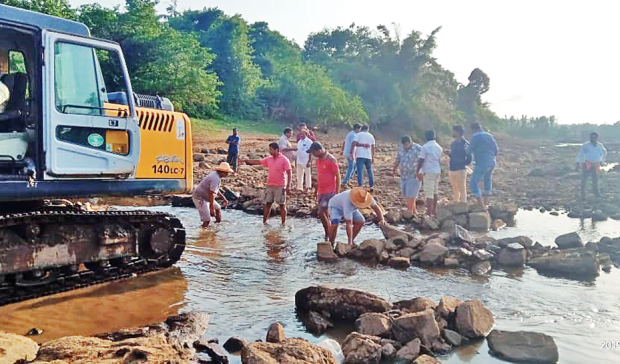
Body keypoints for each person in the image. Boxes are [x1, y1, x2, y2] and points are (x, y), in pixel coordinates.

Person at [244, 143, 293, 225]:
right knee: (268, 204)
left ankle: (283, 223)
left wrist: (289, 185)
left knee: (282, 205)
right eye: (269, 149)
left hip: (280, 185)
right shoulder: (269, 159)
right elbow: (258, 161)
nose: (270, 151)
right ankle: (264, 222)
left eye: (271, 149)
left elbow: (289, 172)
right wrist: (246, 161)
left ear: (277, 150)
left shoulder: (284, 159)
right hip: (270, 185)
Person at [308, 141, 341, 241]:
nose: (313, 155)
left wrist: (337, 192)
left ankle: (329, 233)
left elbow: (338, 176)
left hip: (330, 191)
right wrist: (316, 190)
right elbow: (320, 176)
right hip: (321, 191)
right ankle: (328, 233)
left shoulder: (331, 160)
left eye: (313, 152)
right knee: (325, 213)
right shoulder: (318, 161)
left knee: (321, 212)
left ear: (319, 150)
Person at [192, 162, 234, 228]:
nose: (227, 174)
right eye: (227, 172)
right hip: (200, 198)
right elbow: (211, 193)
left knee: (218, 208)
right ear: (222, 172)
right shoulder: (215, 178)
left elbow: (215, 190)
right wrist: (211, 208)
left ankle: (218, 224)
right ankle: (203, 232)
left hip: (207, 197)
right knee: (207, 220)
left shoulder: (217, 176)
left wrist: (224, 198)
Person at [467, 123, 498, 209]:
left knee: (473, 183)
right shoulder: (490, 136)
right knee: (487, 180)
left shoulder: (475, 136)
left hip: (482, 163)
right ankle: (485, 202)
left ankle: (481, 205)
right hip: (492, 162)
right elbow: (496, 150)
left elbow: (469, 151)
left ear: (473, 129)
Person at [416, 130, 443, 217]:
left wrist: (417, 170)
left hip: (429, 171)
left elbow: (421, 160)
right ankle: (434, 210)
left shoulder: (425, 147)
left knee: (429, 191)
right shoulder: (439, 147)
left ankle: (429, 211)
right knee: (435, 190)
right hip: (437, 170)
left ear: (426, 137)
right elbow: (439, 160)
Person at [393, 135, 422, 215]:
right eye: (404, 145)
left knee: (411, 194)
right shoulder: (401, 148)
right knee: (407, 194)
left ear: (410, 142)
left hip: (414, 175)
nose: (405, 146)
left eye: (406, 144)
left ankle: (409, 212)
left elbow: (423, 161)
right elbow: (398, 159)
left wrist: (421, 173)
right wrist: (394, 169)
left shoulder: (418, 148)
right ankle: (414, 211)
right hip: (404, 175)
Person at [576, 132, 607, 199]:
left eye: (594, 137)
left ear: (597, 138)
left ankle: (596, 193)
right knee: (584, 179)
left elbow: (604, 152)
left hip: (596, 164)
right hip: (587, 164)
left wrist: (602, 160)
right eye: (592, 137)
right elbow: (580, 154)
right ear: (590, 138)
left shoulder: (600, 145)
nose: (593, 139)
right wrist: (578, 162)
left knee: (595, 179)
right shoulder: (585, 145)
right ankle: (582, 193)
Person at [445, 125, 471, 202]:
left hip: (460, 169)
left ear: (458, 132)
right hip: (452, 168)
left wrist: (462, 164)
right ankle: (456, 203)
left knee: (462, 188)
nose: (452, 133)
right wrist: (449, 154)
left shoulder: (465, 144)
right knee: (455, 188)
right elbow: (454, 155)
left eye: (453, 131)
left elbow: (469, 158)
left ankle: (463, 204)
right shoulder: (453, 143)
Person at [352, 125, 376, 190]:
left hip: (360, 155)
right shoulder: (371, 136)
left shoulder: (359, 134)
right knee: (370, 171)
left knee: (360, 171)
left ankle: (360, 186)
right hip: (368, 156)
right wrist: (373, 156)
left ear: (361, 129)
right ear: (367, 129)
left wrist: (351, 153)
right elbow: (373, 147)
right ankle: (371, 186)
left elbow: (354, 143)